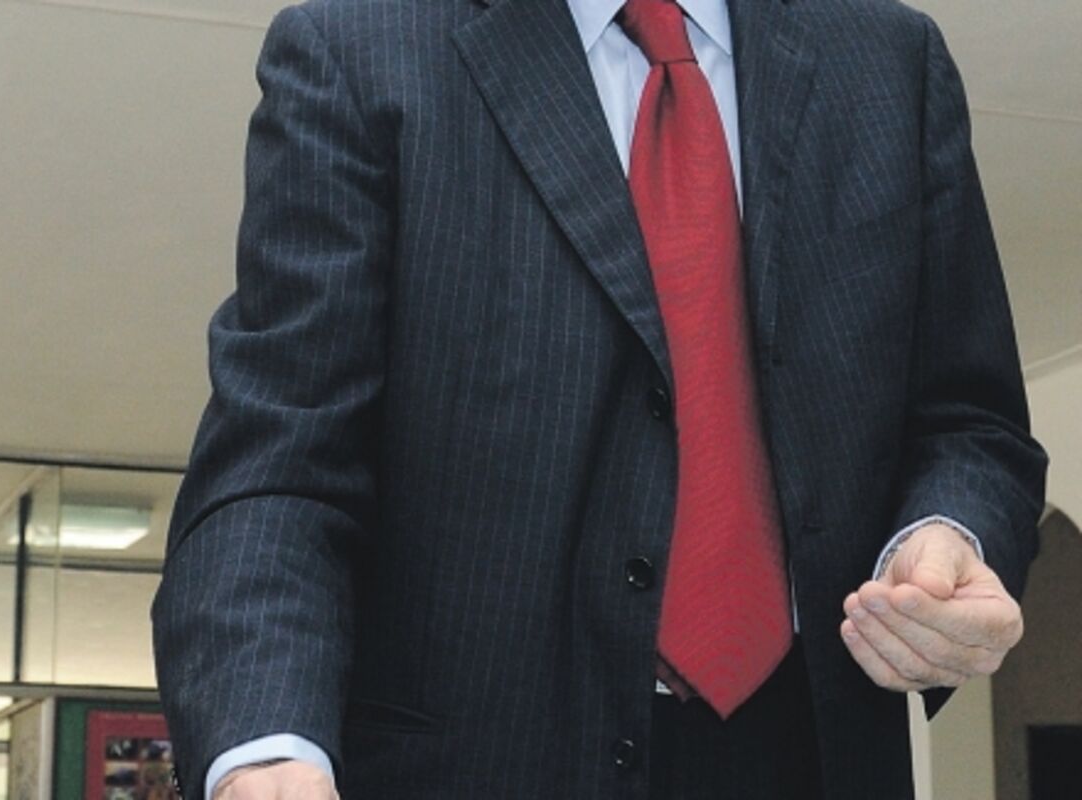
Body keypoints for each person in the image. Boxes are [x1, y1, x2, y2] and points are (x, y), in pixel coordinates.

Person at [151, 0, 1048, 796]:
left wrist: (950, 532)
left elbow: (971, 424)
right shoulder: (357, 54)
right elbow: (281, 468)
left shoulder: (892, 61)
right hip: (475, 762)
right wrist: (266, 745)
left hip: (815, 753)